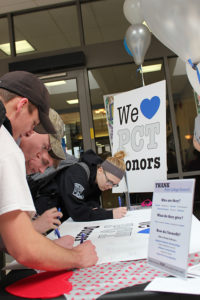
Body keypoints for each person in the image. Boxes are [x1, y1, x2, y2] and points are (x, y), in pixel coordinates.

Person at [0, 70, 98, 271]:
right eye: (34, 124)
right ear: (21, 105)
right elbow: (24, 248)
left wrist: (47, 248)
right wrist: (76, 256)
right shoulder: (6, 145)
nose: (28, 131)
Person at [29, 149, 127, 231]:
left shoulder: (98, 182)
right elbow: (78, 212)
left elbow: (92, 206)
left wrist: (92, 210)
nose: (110, 187)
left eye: (114, 185)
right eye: (109, 181)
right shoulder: (77, 174)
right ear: (100, 170)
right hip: (44, 213)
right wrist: (111, 214)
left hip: (62, 217)